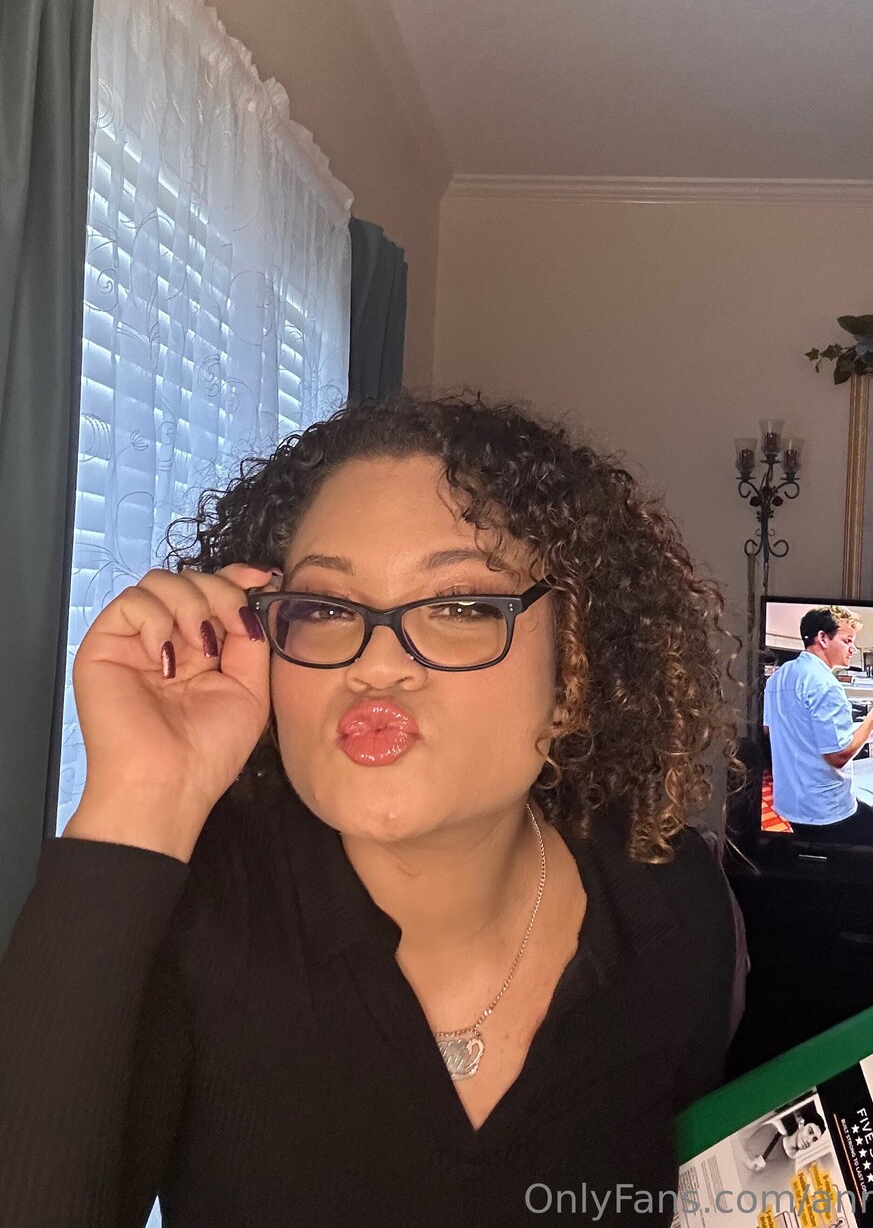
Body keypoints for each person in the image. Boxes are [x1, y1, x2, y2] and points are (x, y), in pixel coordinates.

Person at [0, 392, 744, 1228]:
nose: (378, 665)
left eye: (459, 606)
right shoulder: (199, 911)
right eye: (325, 608)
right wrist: (143, 794)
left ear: (572, 675)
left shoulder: (669, 903)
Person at [763, 606, 873, 838]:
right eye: (847, 640)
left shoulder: (778, 676)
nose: (853, 648)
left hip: (789, 800)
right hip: (824, 808)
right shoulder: (826, 684)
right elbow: (838, 756)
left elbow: (768, 729)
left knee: (806, 849)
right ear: (823, 638)